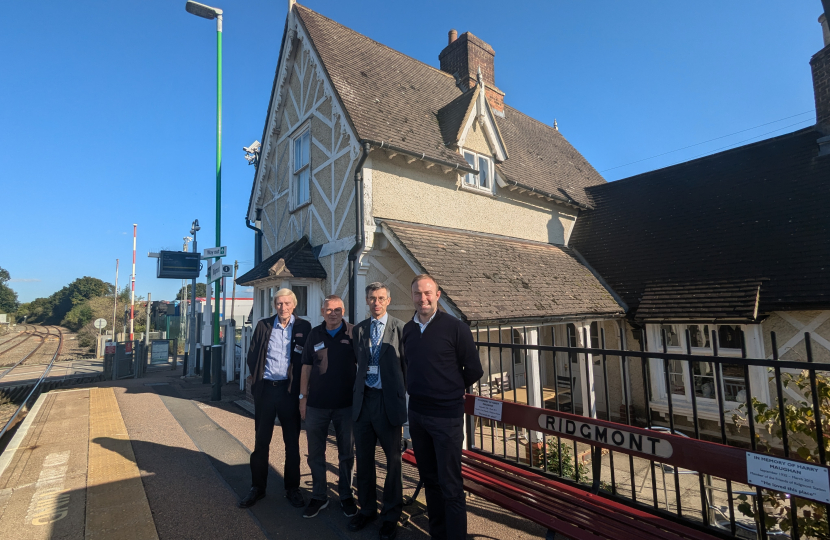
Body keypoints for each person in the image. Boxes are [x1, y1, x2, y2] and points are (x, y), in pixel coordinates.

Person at [401, 275, 483, 540]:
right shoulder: (409, 329)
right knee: (430, 479)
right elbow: (408, 366)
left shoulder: (455, 328)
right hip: (418, 414)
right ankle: (437, 533)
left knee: (450, 483)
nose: (422, 298)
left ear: (437, 295)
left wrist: (446, 389)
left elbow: (473, 369)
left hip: (446, 416)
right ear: (411, 296)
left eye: (427, 293)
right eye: (417, 294)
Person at [239, 288, 310, 509]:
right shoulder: (263, 325)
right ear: (274, 305)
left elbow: (306, 362)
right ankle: (257, 488)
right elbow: (252, 355)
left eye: (287, 303)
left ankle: (292, 488)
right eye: (279, 303)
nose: (283, 307)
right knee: (261, 442)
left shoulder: (303, 327)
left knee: (292, 442)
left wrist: (302, 394)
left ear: (294, 305)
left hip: (289, 392)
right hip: (267, 390)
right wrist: (257, 381)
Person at [349, 283, 407, 540]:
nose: (376, 303)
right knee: (364, 460)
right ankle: (367, 510)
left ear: (388, 300)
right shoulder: (360, 329)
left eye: (381, 298)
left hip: (387, 403)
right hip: (364, 401)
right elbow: (359, 364)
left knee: (393, 463)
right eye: (372, 299)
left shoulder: (401, 328)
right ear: (366, 301)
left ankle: (391, 515)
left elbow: (406, 365)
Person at [299, 295, 358, 519]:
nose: (333, 313)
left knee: (346, 454)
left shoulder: (353, 333)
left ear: (343, 311)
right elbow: (305, 366)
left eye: (337, 310)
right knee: (315, 454)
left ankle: (346, 495)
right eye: (329, 309)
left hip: (346, 406)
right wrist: (302, 398)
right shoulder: (314, 333)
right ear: (322, 312)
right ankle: (319, 496)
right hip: (316, 405)